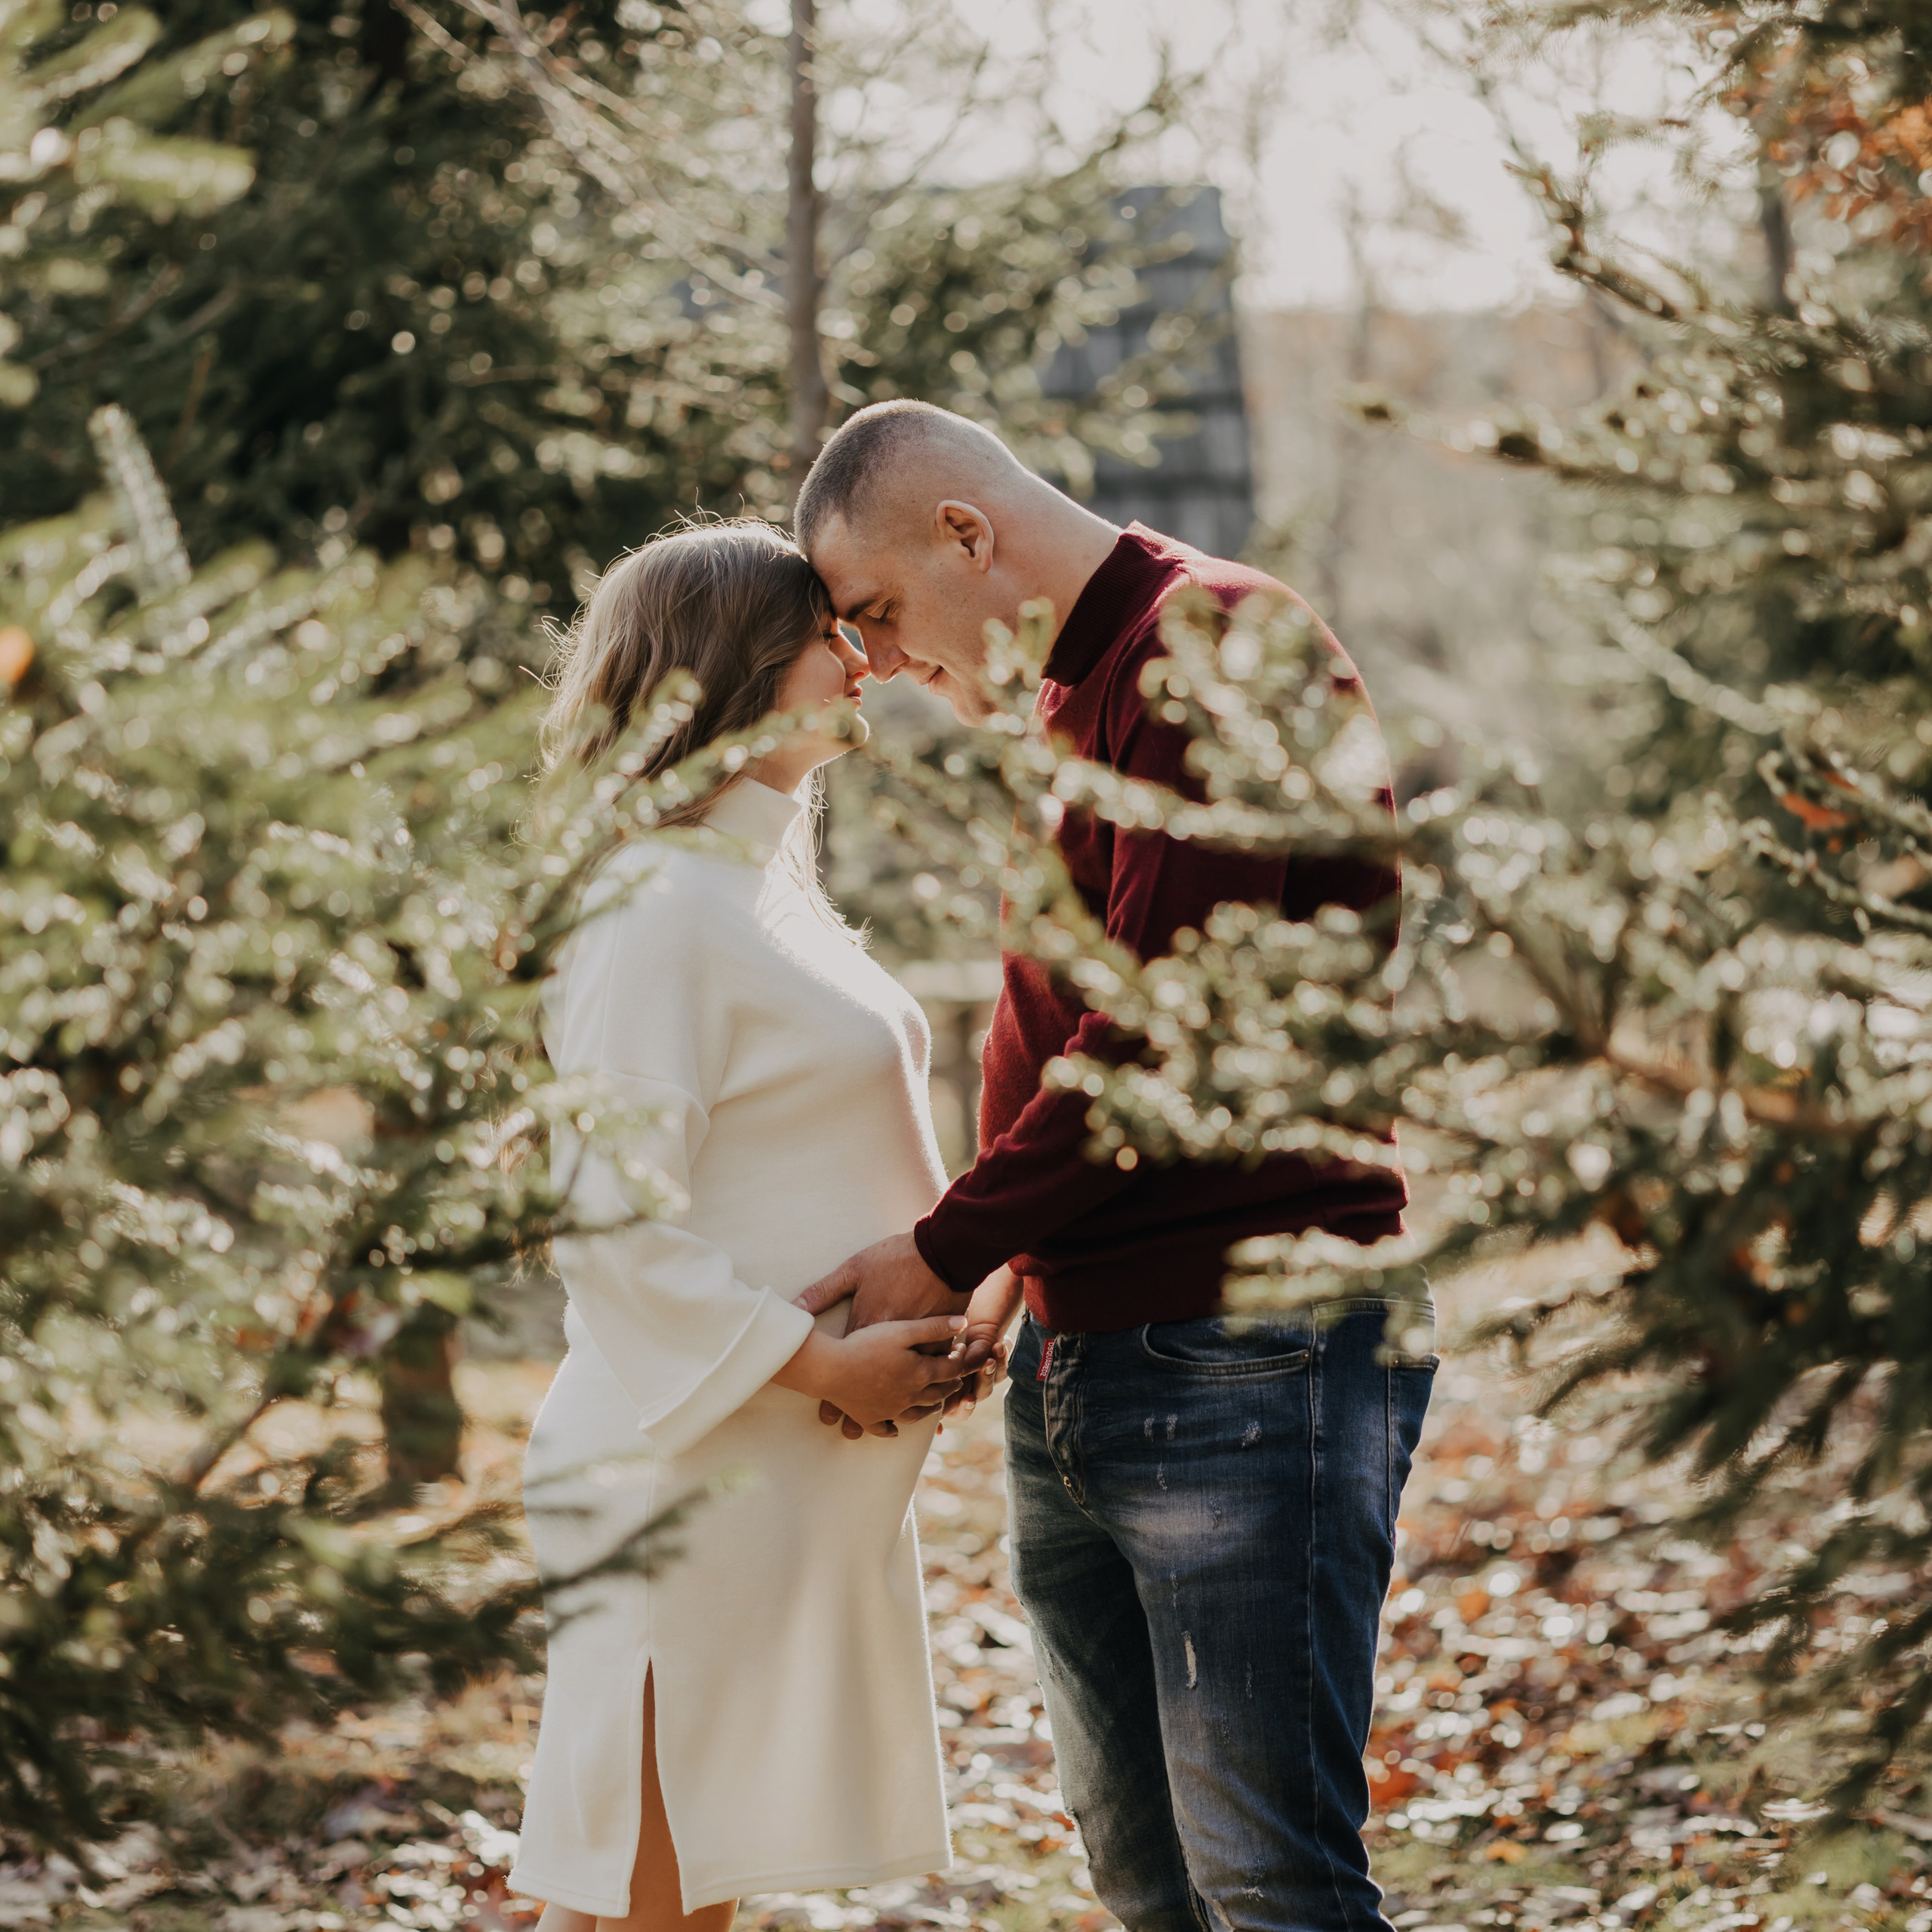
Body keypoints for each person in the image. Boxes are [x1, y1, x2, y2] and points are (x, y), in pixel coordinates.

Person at [791, 402, 1435, 1932]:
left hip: (1243, 1349)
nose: (874, 661)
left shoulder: (1209, 648)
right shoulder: (1076, 697)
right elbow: (1069, 1025)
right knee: (1146, 1882)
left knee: (1269, 1882)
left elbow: (1154, 1039)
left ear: (966, 533)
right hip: (1085, 1355)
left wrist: (943, 1245)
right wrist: (1013, 1268)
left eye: (876, 610)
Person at [507, 518, 981, 1932]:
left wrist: (955, 1311)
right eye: (828, 633)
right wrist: (824, 1362)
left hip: (769, 1469)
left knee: (677, 1899)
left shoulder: (758, 892)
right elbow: (608, 1216)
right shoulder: (653, 901)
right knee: (642, 1903)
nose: (863, 658)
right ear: (735, 666)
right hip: (684, 1467)